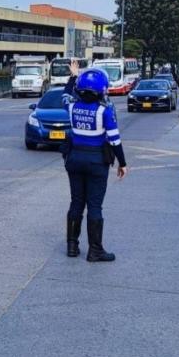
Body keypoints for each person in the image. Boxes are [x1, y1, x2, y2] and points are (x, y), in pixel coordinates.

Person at [62, 60, 127, 262]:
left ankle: (72, 246)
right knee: (95, 206)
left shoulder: (72, 106)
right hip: (96, 161)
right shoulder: (104, 111)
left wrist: (73, 75)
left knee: (76, 202)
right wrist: (122, 163)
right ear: (102, 90)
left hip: (74, 159)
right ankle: (95, 250)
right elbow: (115, 140)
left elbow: (65, 94)